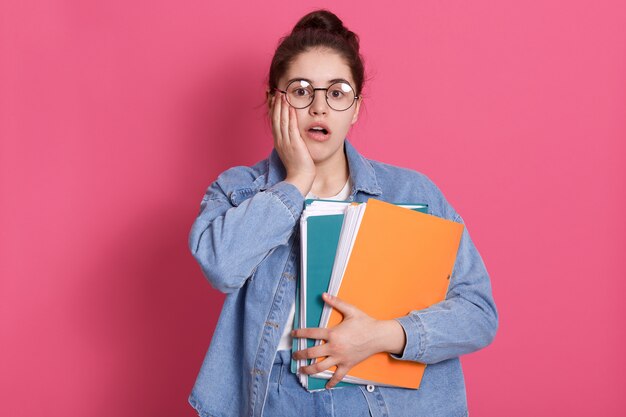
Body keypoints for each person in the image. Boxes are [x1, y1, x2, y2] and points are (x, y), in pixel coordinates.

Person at [188, 9, 498, 417]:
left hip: (383, 399)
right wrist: (296, 181)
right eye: (300, 91)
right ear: (272, 102)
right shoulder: (238, 190)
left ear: (354, 108)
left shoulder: (412, 192)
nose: (319, 107)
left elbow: (477, 313)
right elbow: (221, 266)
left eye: (336, 92)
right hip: (277, 397)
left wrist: (383, 335)